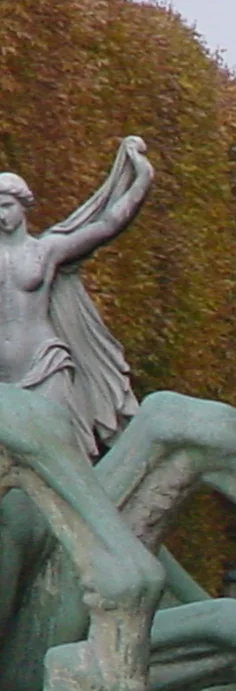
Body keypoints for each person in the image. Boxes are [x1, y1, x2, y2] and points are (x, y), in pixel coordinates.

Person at [0, 137, 152, 457]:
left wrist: (142, 177)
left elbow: (109, 223)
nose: (1, 215)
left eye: (6, 205)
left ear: (22, 204)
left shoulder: (47, 249)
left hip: (45, 363)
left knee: (57, 453)